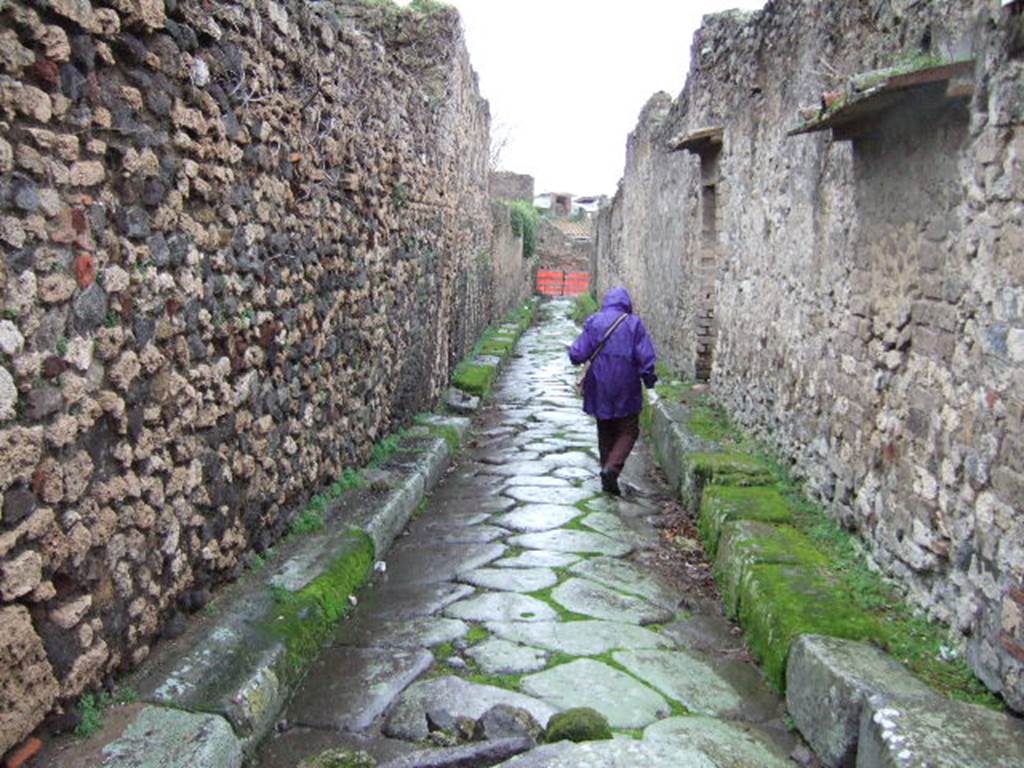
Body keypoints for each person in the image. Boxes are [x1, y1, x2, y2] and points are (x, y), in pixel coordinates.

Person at [569, 286, 657, 495]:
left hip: (599, 384)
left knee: (605, 427)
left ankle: (606, 470)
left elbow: (578, 354)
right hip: (627, 384)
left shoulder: (595, 321)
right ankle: (612, 469)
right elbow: (645, 356)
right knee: (628, 429)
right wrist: (649, 380)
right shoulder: (634, 324)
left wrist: (573, 353)